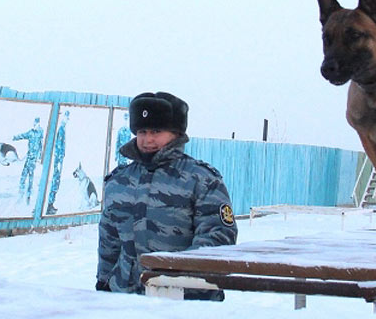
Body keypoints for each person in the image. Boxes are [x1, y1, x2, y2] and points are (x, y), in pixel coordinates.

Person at [96, 91, 237, 299]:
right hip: (126, 300)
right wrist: (104, 282)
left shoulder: (202, 180)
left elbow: (217, 237)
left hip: (187, 300)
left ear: (176, 134)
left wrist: (175, 278)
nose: (147, 139)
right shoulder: (119, 182)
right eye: (142, 131)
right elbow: (109, 241)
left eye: (156, 131)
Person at [13, 117, 44, 205]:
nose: (34, 124)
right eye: (34, 123)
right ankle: (21, 192)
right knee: (23, 175)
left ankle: (28, 195)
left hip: (33, 159)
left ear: (38, 123)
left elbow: (41, 145)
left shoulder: (40, 132)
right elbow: (23, 135)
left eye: (36, 123)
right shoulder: (31, 132)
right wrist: (14, 137)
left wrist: (39, 157)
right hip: (28, 157)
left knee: (31, 177)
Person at [46, 110, 69, 215]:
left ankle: (51, 205)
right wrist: (59, 162)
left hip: (60, 160)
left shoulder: (62, 129)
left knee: (56, 183)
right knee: (55, 182)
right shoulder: (60, 130)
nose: (67, 120)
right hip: (58, 160)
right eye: (66, 117)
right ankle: (49, 206)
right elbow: (58, 146)